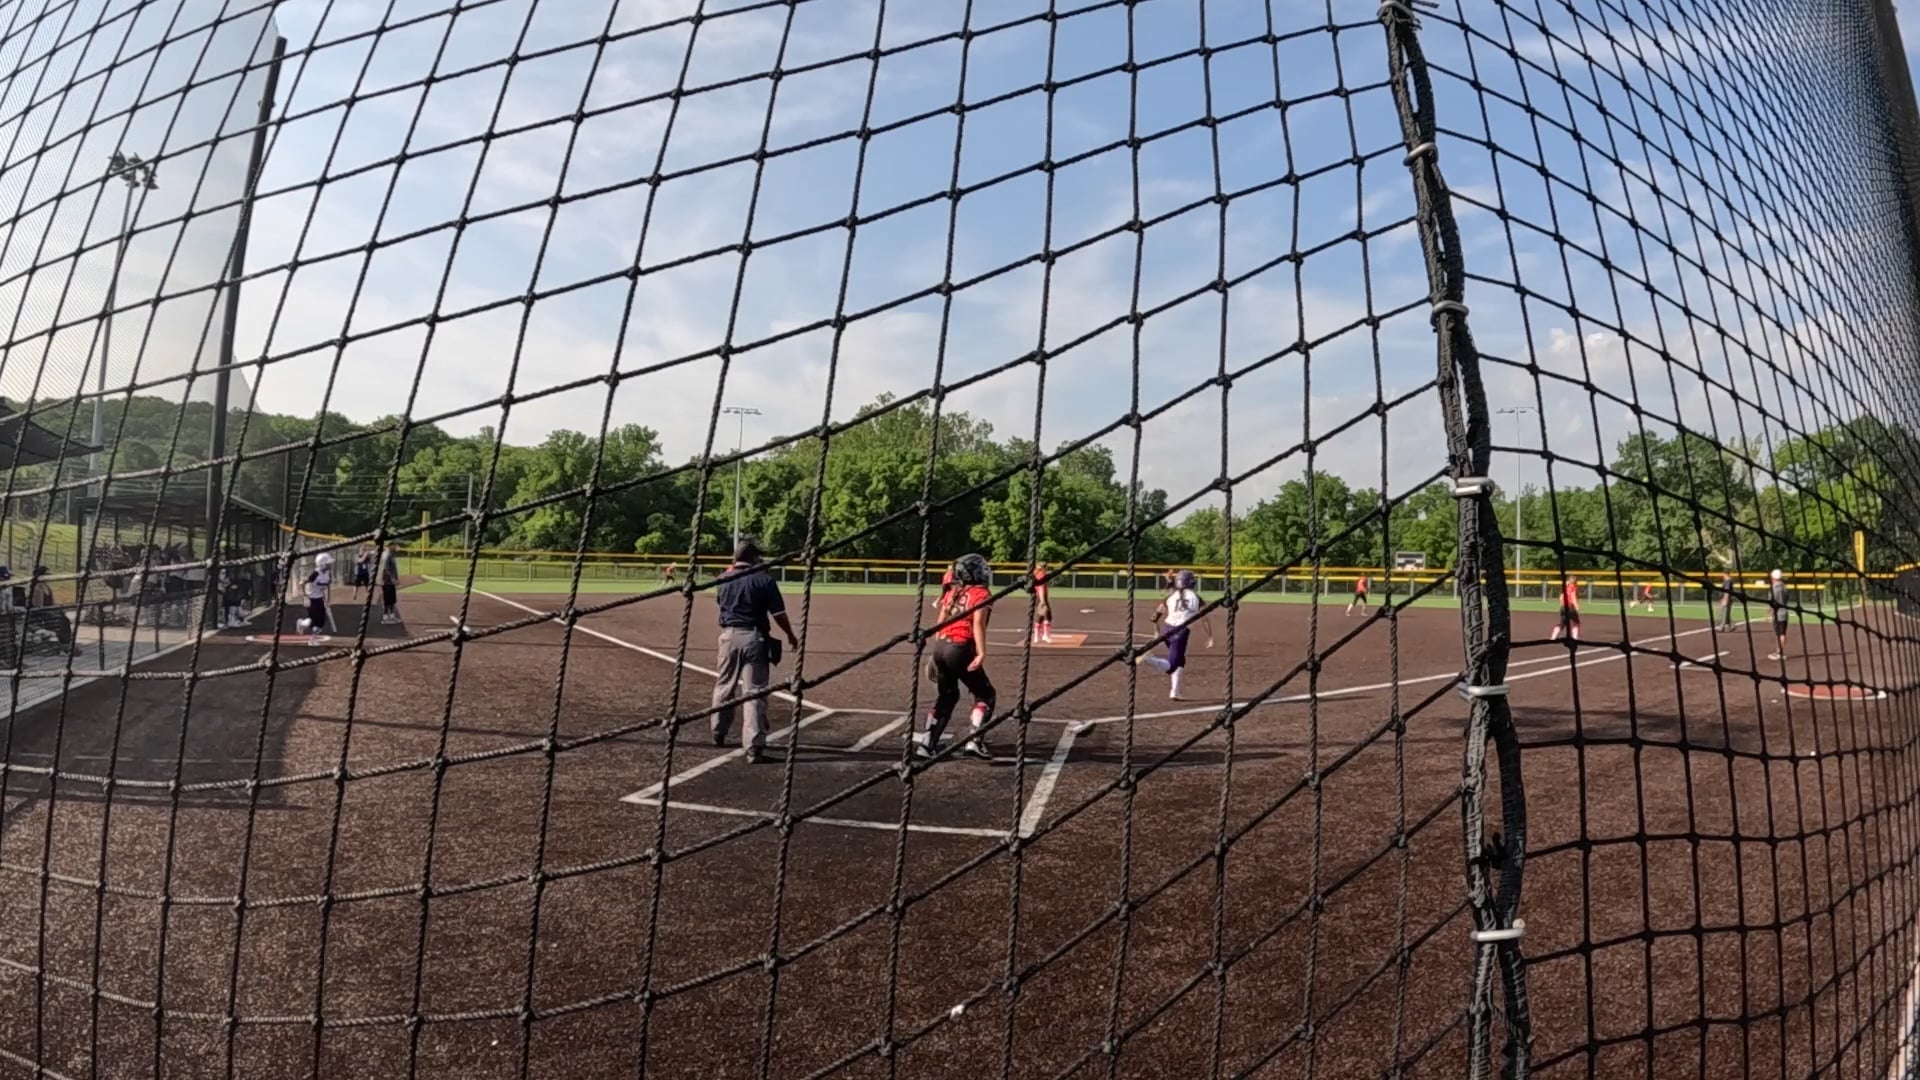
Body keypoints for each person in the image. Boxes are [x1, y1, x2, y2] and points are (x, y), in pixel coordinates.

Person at [711, 541, 798, 764]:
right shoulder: (764, 580)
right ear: (753, 558)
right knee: (754, 692)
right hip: (754, 637)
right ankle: (754, 747)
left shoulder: (723, 578)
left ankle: (718, 731)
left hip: (727, 637)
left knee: (724, 685)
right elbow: (778, 614)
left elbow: (721, 603)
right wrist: (790, 634)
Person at [914, 553, 996, 762]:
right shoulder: (981, 593)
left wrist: (939, 651)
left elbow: (940, 623)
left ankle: (927, 744)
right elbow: (977, 624)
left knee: (947, 696)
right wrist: (981, 652)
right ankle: (974, 741)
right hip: (961, 648)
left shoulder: (953, 592)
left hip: (942, 646)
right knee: (985, 694)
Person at [1136, 569, 1215, 700]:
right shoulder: (1196, 597)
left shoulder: (1171, 596)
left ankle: (1175, 691)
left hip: (1167, 629)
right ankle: (1148, 659)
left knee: (1180, 660)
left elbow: (1154, 617)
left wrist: (1156, 632)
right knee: (1172, 666)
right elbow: (1205, 619)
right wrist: (1210, 636)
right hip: (1181, 632)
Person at [297, 551, 333, 644]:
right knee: (314, 621)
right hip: (312, 600)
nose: (329, 565)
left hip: (319, 599)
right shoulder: (315, 574)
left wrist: (327, 599)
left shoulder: (328, 574)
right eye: (327, 563)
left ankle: (303, 625)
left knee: (321, 622)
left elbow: (325, 587)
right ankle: (311, 638)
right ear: (322, 564)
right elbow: (302, 583)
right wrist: (305, 597)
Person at [1767, 568, 1791, 660]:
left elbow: (1772, 603)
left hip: (1777, 614)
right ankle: (1780, 652)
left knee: (1778, 634)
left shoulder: (1774, 588)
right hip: (1784, 612)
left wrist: (1769, 614)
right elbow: (1787, 598)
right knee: (1782, 633)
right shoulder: (1785, 587)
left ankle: (1779, 653)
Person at [1550, 576, 1581, 642]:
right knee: (1576, 622)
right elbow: (1573, 597)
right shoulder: (1573, 587)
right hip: (1570, 607)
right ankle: (1575, 638)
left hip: (1563, 607)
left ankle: (1553, 637)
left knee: (1562, 624)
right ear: (1575, 581)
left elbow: (1560, 598)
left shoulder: (1565, 587)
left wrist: (1562, 606)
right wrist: (1576, 607)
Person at [1030, 561, 1054, 644]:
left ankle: (1037, 635)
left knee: (1043, 616)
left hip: (1039, 597)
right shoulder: (1041, 575)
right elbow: (1041, 588)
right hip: (1041, 597)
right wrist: (1043, 601)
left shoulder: (1037, 574)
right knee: (1047, 615)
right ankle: (1044, 635)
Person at [377, 545, 401, 625]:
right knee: (388, 600)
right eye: (394, 546)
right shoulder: (387, 555)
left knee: (392, 600)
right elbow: (385, 569)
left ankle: (392, 616)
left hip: (390, 582)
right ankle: (385, 617)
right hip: (387, 581)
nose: (396, 547)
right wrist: (392, 578)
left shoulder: (391, 554)